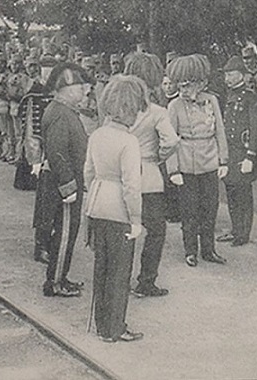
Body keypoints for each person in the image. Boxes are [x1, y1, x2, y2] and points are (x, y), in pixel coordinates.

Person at [84, 75, 146, 342]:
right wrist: (136, 219)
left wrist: (96, 194)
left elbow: (88, 172)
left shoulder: (97, 135)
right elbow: (132, 185)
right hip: (120, 209)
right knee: (120, 272)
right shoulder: (128, 141)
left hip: (97, 205)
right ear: (128, 109)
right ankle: (115, 327)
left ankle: (101, 326)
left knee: (102, 268)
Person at [123, 54, 178, 297]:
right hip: (148, 175)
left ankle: (120, 279)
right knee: (156, 230)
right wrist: (158, 157)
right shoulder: (157, 111)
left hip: (123, 174)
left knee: (126, 228)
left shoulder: (119, 109)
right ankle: (146, 281)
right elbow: (172, 141)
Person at [166, 55, 229, 267]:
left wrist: (223, 160)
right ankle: (190, 250)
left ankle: (209, 250)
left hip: (209, 160)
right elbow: (170, 140)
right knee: (189, 210)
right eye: (180, 85)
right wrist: (173, 170)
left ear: (200, 83)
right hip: (186, 162)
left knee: (210, 209)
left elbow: (220, 130)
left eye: (188, 85)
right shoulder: (174, 106)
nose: (183, 89)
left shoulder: (211, 101)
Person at [38, 62, 92, 297]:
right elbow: (57, 152)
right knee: (64, 233)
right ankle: (55, 282)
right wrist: (69, 185)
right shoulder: (61, 114)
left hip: (65, 181)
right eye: (80, 89)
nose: (84, 94)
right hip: (65, 183)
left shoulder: (62, 111)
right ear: (68, 90)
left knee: (66, 232)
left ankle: (61, 277)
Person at [217, 55, 257, 247]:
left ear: (242, 75)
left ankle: (243, 233)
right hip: (229, 151)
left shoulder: (250, 97)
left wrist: (251, 155)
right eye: (226, 75)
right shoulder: (228, 95)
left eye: (231, 74)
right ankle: (235, 229)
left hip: (243, 151)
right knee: (230, 190)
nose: (227, 78)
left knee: (243, 193)